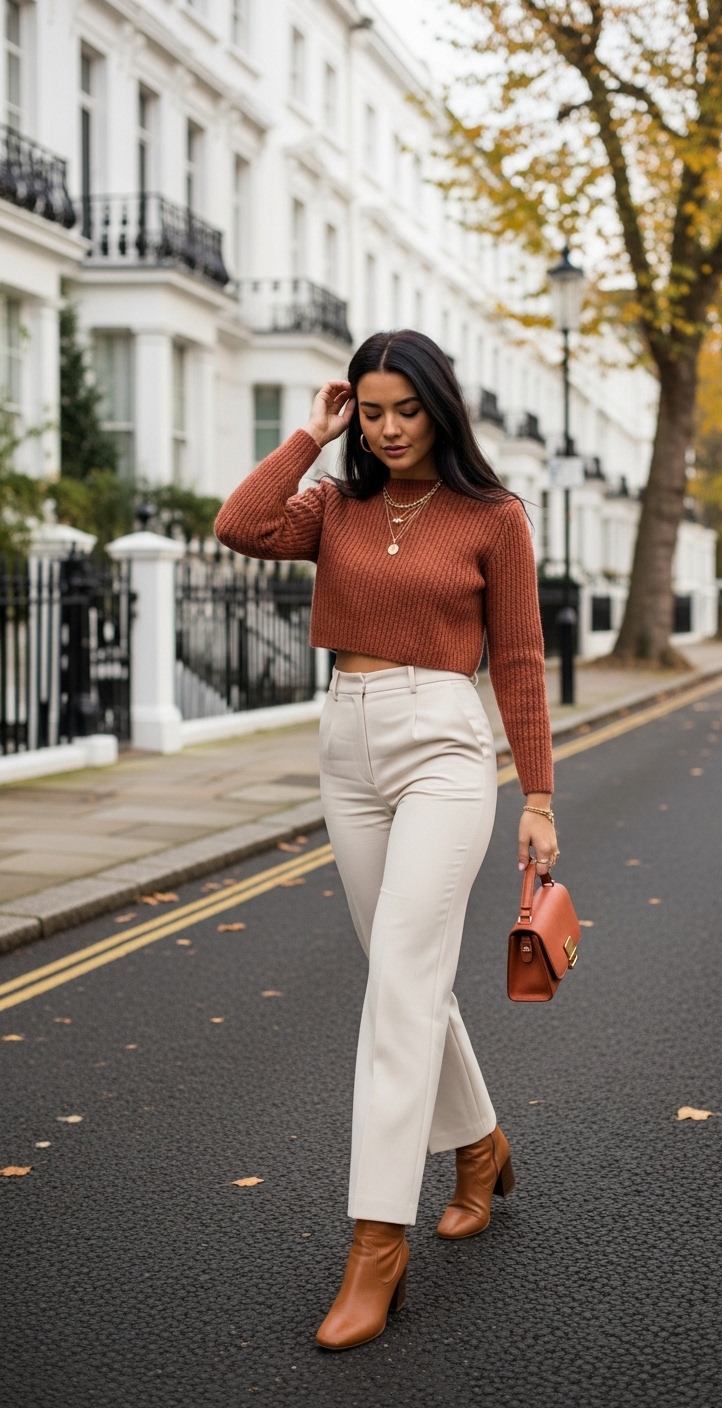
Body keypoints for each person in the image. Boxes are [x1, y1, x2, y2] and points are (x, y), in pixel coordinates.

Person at [215, 330, 556, 1351]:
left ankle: (375, 1245)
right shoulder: (337, 502)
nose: (390, 427)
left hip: (446, 748)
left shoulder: (495, 517)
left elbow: (525, 660)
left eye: (406, 408)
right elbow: (240, 524)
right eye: (371, 410)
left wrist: (538, 794)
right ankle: (482, 1146)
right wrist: (308, 438)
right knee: (407, 977)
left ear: (440, 409)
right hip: (347, 745)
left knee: (398, 990)